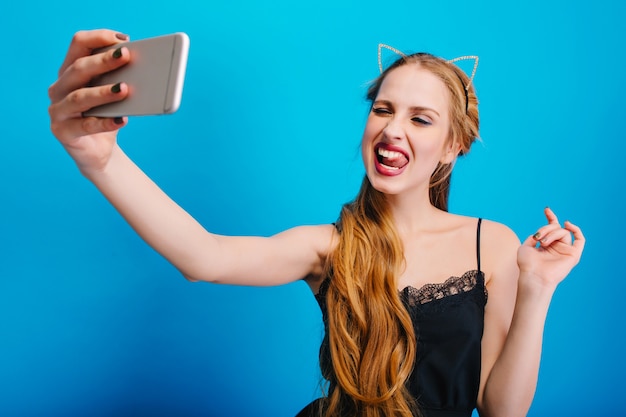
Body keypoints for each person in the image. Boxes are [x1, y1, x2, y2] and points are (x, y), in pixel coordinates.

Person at [48, 29, 585, 417]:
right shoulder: (329, 247)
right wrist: (99, 158)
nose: (393, 129)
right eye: (383, 109)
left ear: (453, 147)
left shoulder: (491, 245)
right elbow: (203, 257)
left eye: (420, 119)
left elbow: (501, 410)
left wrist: (537, 289)